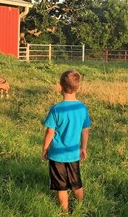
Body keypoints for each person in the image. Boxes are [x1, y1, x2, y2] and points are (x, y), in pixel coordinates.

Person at [42, 69, 91, 215]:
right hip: (73, 153)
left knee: (61, 186)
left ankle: (64, 211)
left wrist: (45, 149)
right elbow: (85, 130)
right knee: (76, 183)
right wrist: (83, 148)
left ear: (60, 87)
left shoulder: (56, 109)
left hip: (56, 155)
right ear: (79, 88)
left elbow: (50, 131)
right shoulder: (82, 108)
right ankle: (81, 206)